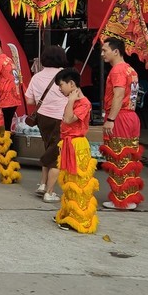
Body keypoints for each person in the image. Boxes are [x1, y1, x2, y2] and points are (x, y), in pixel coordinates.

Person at [99, 37, 143, 211]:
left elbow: (118, 95)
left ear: (116, 51)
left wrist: (110, 119)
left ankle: (122, 199)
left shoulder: (117, 70)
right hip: (131, 116)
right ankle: (129, 197)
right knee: (129, 157)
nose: (103, 54)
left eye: (105, 50)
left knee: (118, 157)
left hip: (120, 117)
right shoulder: (130, 70)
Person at [53, 68, 99, 233]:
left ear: (71, 84)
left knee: (78, 183)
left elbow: (68, 119)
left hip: (77, 145)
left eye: (61, 85)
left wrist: (71, 101)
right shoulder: (75, 101)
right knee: (68, 181)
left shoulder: (84, 103)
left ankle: (79, 218)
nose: (60, 89)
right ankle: (68, 213)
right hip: (68, 144)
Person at [25, 44, 70, 204]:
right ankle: (49, 192)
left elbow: (29, 100)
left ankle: (43, 184)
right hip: (60, 118)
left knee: (49, 149)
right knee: (56, 155)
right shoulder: (65, 76)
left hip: (42, 118)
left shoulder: (36, 77)